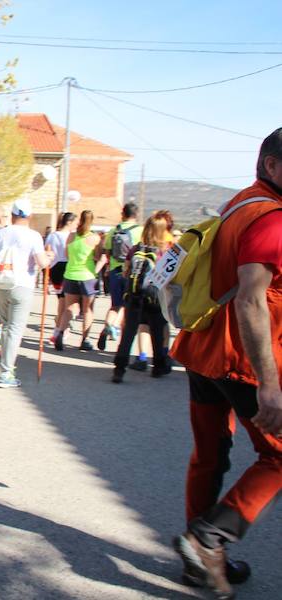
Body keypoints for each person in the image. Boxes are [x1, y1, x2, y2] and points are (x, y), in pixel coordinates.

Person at [170, 128, 282, 600]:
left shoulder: (238, 204)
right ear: (273, 166)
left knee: (209, 454)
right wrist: (270, 385)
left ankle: (200, 562)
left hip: (203, 349)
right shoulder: (272, 218)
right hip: (242, 359)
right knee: (278, 455)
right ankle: (208, 539)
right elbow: (251, 301)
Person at [0, 198, 53, 388]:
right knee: (14, 329)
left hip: (0, 283)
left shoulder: (0, 235)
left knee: (5, 326)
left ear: (12, 215)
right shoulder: (33, 236)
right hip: (22, 285)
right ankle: (6, 372)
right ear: (29, 216)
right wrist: (50, 257)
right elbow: (42, 263)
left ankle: (5, 367)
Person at [110, 212, 172, 383]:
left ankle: (119, 369)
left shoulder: (136, 249)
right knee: (157, 333)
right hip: (155, 298)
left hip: (134, 297)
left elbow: (126, 271)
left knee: (128, 334)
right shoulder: (165, 251)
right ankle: (158, 367)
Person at [51, 210, 106, 351]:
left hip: (70, 274)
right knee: (87, 309)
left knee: (69, 308)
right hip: (87, 276)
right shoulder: (95, 238)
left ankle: (60, 333)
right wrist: (95, 269)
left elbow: (66, 254)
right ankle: (85, 339)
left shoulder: (71, 236)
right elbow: (99, 256)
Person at [97, 202, 142, 350]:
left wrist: (109, 267)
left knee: (115, 305)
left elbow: (107, 252)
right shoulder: (140, 231)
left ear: (123, 214)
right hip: (131, 273)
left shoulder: (113, 231)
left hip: (115, 272)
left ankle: (108, 325)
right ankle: (121, 340)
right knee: (128, 308)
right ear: (136, 215)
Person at [45, 211, 76, 336]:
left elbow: (47, 250)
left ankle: (60, 323)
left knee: (61, 300)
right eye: (75, 222)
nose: (76, 225)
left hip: (55, 268)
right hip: (65, 267)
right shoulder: (71, 236)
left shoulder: (53, 235)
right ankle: (60, 327)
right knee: (64, 301)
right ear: (69, 222)